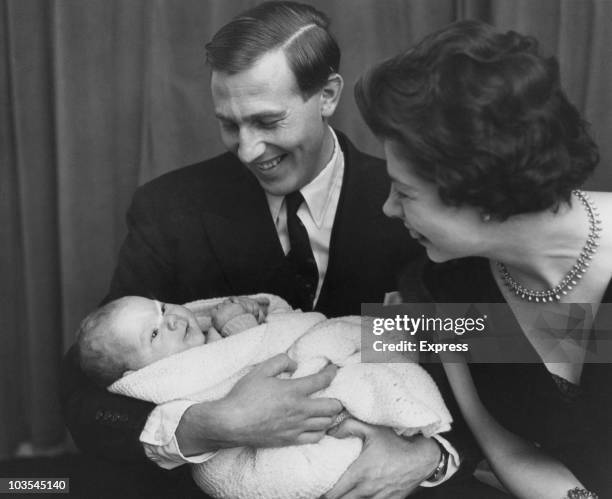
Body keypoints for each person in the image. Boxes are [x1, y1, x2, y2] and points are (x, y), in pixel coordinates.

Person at [61, 2, 464, 498]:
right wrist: (206, 425)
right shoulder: (168, 208)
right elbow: (84, 388)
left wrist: (431, 454)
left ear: (328, 95)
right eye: (229, 124)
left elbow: (497, 344)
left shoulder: (411, 200)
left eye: (268, 121)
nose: (249, 149)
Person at [355, 19, 611, 498]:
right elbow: (510, 447)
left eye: (405, 192)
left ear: (484, 195)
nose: (388, 209)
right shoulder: (446, 290)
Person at [76, 295, 270, 388]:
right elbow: (258, 368)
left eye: (162, 309)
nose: (171, 320)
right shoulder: (183, 385)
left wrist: (255, 312)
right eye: (153, 334)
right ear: (140, 376)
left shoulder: (203, 334)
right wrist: (239, 324)